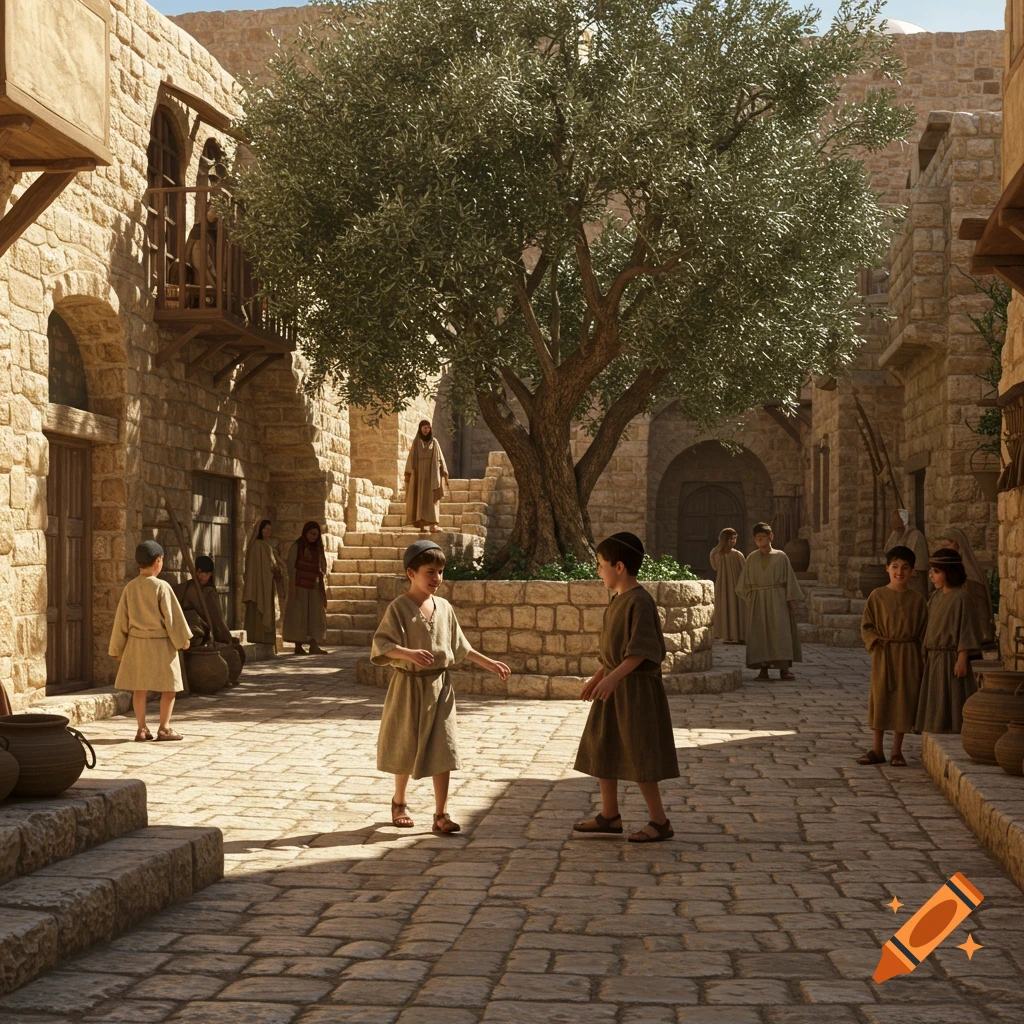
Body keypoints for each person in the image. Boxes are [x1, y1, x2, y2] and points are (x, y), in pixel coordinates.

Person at [371, 539, 510, 834]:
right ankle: (399, 802)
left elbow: (460, 647)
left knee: (443, 748)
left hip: (440, 688)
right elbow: (382, 644)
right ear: (411, 573)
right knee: (404, 744)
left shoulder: (444, 607)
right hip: (407, 687)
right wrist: (408, 654)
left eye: (440, 572)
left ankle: (441, 814)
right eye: (430, 572)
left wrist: (491, 663)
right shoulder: (399, 608)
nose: (437, 578)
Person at [572, 533, 680, 844]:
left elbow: (640, 651)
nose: (598, 571)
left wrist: (613, 678)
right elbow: (616, 652)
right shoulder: (618, 600)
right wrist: (599, 677)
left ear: (619, 567)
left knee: (639, 753)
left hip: (634, 693)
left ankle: (660, 821)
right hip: (614, 688)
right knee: (604, 747)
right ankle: (610, 815)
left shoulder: (640, 602)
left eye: (601, 565)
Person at [109, 541, 192, 742]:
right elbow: (172, 618)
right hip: (161, 644)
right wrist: (182, 639)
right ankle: (164, 727)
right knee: (169, 687)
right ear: (158, 561)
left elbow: (122, 619)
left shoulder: (130, 587)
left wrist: (117, 648)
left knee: (140, 688)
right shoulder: (162, 587)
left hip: (137, 644)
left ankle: (141, 728)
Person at [857, 546, 928, 768]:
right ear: (887, 568)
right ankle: (877, 749)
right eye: (895, 566)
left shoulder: (918, 600)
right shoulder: (877, 596)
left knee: (903, 700)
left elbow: (925, 632)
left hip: (909, 656)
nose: (900, 571)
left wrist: (923, 656)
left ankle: (897, 750)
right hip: (884, 654)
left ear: (912, 571)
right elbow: (867, 625)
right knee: (880, 698)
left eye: (905, 567)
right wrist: (875, 641)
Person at [915, 549, 982, 734]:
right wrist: (924, 651)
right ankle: (935, 726)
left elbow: (966, 628)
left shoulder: (962, 598)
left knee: (952, 694)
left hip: (951, 658)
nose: (931, 575)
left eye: (936, 572)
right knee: (936, 695)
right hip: (934, 658)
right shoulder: (935, 597)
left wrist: (962, 657)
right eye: (931, 571)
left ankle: (953, 726)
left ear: (949, 572)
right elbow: (929, 626)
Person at [735, 522, 803, 681]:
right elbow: (743, 583)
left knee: (780, 632)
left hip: (778, 599)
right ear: (754, 540)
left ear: (771, 537)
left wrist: (791, 600)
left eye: (764, 537)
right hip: (758, 601)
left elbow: (790, 580)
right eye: (758, 538)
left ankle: (784, 669)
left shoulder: (781, 556)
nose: (761, 541)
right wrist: (751, 599)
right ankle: (763, 669)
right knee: (761, 633)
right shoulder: (751, 558)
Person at [937, 528, 995, 647]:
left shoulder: (971, 577)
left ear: (959, 544)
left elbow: (978, 611)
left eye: (948, 544)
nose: (945, 548)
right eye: (943, 546)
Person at [283, 521, 329, 655]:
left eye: (316, 534)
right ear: (305, 533)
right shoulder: (297, 546)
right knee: (299, 615)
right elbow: (291, 565)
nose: (314, 537)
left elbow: (322, 565)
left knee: (315, 615)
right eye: (311, 533)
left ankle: (314, 644)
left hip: (314, 587)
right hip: (300, 587)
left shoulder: (318, 548)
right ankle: (298, 645)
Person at [173, 555, 233, 647]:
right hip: (185, 631)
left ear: (211, 574)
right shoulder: (186, 587)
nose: (203, 576)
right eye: (200, 572)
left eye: (207, 573)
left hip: (201, 634)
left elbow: (217, 618)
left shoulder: (209, 592)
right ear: (196, 571)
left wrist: (225, 638)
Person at [243, 519, 285, 645]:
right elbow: (267, 567)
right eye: (265, 528)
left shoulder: (265, 545)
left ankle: (266, 642)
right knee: (259, 612)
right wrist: (277, 571)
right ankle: (260, 640)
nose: (268, 531)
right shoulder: (258, 546)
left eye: (270, 529)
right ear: (260, 530)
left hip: (265, 584)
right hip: (259, 585)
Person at [405, 420, 449, 533]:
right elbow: (411, 458)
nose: (426, 430)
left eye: (428, 428)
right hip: (419, 476)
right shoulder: (416, 442)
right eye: (424, 427)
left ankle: (433, 525)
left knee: (432, 499)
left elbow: (440, 458)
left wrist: (444, 471)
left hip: (432, 475)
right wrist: (409, 473)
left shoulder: (434, 442)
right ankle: (421, 525)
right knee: (420, 499)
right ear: (420, 428)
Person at [709, 527, 745, 643]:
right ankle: (726, 635)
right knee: (724, 608)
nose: (733, 541)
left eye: (735, 538)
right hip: (724, 585)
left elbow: (744, 571)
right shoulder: (718, 554)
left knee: (736, 609)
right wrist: (720, 546)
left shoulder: (738, 555)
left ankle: (738, 636)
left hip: (736, 585)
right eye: (730, 539)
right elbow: (714, 565)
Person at [884, 508, 929, 599]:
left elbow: (920, 567)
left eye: (899, 527)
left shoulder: (916, 536)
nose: (896, 529)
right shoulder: (895, 534)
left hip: (913, 584)